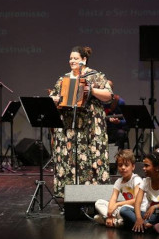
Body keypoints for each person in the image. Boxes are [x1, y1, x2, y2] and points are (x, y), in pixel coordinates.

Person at [48, 45, 112, 199]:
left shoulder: (95, 76)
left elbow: (108, 96)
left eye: (75, 58)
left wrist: (92, 90)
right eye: (70, 58)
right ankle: (69, 195)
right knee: (70, 157)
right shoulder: (64, 78)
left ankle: (93, 194)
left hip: (89, 125)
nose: (72, 61)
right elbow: (55, 97)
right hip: (69, 126)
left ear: (84, 59)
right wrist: (55, 100)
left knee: (90, 157)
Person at [123, 151, 159, 233]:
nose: (143, 168)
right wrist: (139, 218)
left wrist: (154, 207)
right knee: (124, 210)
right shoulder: (145, 181)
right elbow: (137, 202)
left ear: (157, 168)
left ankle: (148, 226)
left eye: (146, 166)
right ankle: (149, 226)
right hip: (148, 215)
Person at [95, 149, 140, 227]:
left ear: (133, 167)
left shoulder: (136, 179)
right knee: (99, 202)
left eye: (126, 165)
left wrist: (117, 204)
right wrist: (110, 213)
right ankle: (112, 220)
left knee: (123, 209)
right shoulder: (118, 182)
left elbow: (136, 200)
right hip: (123, 210)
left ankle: (110, 221)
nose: (123, 168)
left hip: (134, 211)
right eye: (120, 165)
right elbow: (113, 198)